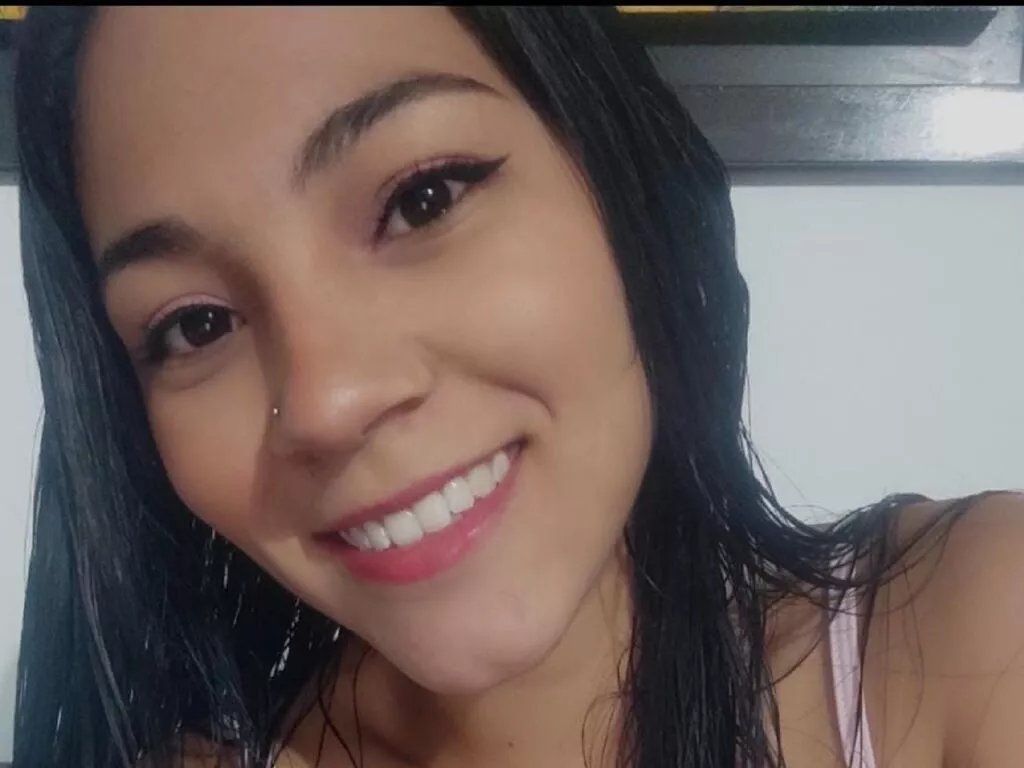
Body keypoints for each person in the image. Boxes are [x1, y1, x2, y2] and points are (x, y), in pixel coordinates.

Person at [10, 7, 1023, 768]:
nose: (326, 400)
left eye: (423, 199)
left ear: (615, 178)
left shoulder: (970, 638)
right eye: (195, 325)